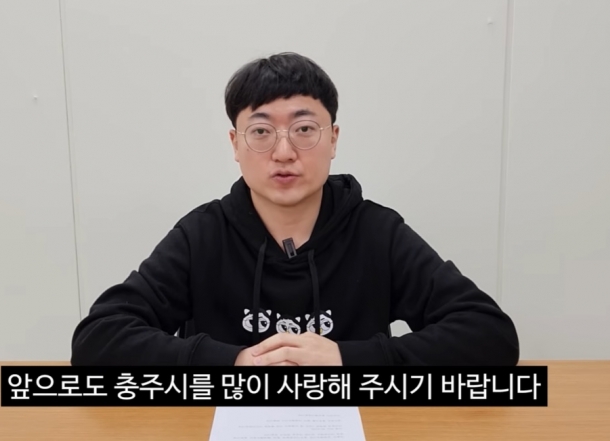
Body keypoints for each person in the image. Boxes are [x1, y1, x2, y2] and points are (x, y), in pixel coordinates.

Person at [71, 52, 519, 367]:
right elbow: (98, 339)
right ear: (235, 145)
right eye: (261, 131)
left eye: (304, 129)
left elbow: (490, 335)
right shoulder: (202, 235)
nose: (284, 152)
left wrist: (347, 359)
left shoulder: (376, 232)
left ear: (333, 139)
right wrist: (232, 362)